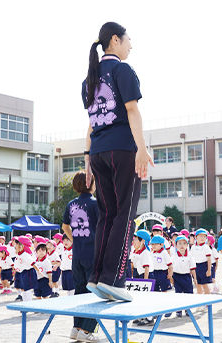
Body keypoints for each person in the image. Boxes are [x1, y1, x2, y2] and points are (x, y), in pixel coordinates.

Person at [82, 21, 153, 302]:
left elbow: (90, 124)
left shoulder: (89, 77)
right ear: (115, 40)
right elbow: (132, 110)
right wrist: (142, 149)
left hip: (98, 151)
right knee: (124, 215)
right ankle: (114, 280)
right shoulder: (122, 70)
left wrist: (87, 160)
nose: (131, 45)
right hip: (122, 150)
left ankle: (98, 277)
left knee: (107, 216)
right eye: (128, 40)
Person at [61, 171, 99, 342]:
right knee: (95, 292)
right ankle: (87, 330)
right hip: (93, 254)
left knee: (80, 291)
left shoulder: (71, 204)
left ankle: (76, 328)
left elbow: (64, 226)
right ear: (90, 183)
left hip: (77, 254)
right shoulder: (95, 204)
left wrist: (75, 240)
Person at [171, 235, 197, 318]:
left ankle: (187, 309)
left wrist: (195, 279)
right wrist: (171, 279)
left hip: (186, 277)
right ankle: (179, 310)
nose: (182, 246)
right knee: (178, 294)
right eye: (179, 243)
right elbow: (171, 269)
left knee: (188, 293)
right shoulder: (174, 256)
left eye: (184, 243)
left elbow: (192, 269)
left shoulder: (190, 256)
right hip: (177, 276)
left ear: (187, 245)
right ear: (176, 245)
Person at [190, 229, 212, 295]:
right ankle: (200, 301)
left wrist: (209, 270)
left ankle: (208, 302)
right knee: (198, 284)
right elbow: (191, 259)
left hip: (204, 266)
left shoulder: (206, 247)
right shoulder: (193, 247)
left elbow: (209, 259)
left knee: (205, 285)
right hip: (196, 267)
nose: (202, 238)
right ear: (196, 237)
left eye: (204, 236)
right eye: (200, 236)